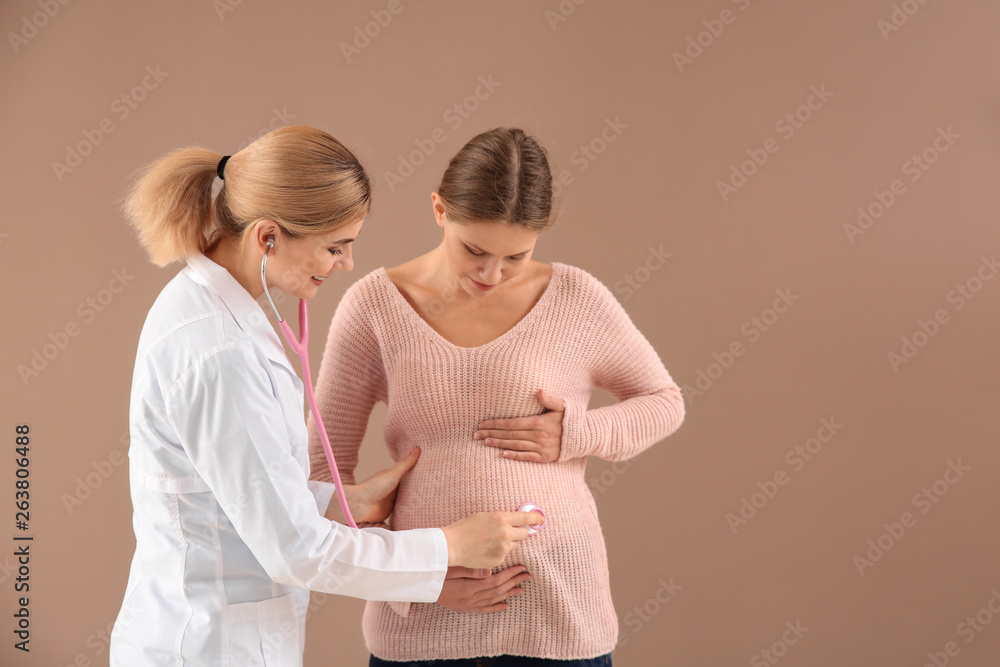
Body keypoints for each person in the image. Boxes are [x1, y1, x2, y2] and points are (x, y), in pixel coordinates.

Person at [109, 125, 543, 666]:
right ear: (267, 237)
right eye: (335, 247)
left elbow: (226, 491)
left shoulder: (214, 315)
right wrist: (448, 548)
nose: (346, 265)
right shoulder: (218, 353)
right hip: (207, 647)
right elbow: (297, 552)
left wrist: (341, 503)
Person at [307, 127, 686, 666]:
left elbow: (663, 400)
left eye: (517, 257)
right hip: (423, 620)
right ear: (440, 210)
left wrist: (577, 432)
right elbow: (323, 471)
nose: (492, 273)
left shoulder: (577, 299)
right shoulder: (375, 305)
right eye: (475, 250)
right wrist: (415, 580)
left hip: (558, 607)